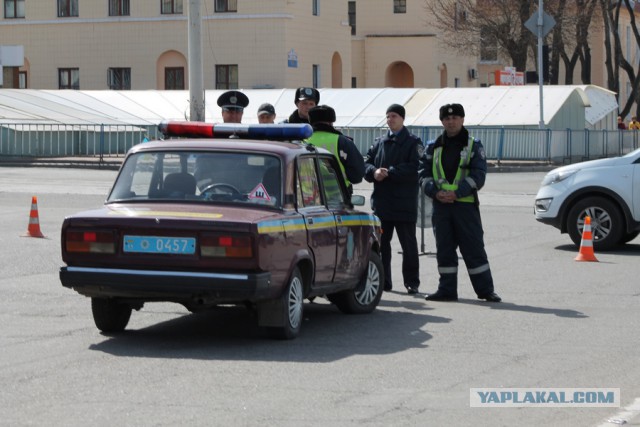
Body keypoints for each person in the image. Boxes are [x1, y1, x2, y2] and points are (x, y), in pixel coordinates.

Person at [419, 103, 501, 303]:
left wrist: (457, 193)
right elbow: (423, 174)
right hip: (441, 206)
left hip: (464, 205)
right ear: (441, 122)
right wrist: (435, 193)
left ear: (463, 120)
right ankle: (446, 290)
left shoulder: (474, 145)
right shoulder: (433, 146)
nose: (451, 121)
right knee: (444, 248)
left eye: (455, 117)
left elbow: (478, 175)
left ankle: (485, 291)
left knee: (473, 248)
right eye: (447, 118)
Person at [364, 104, 422, 295]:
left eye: (394, 116)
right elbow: (366, 164)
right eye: (388, 116)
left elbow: (416, 168)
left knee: (409, 246)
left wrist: (390, 172)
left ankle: (412, 282)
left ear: (403, 118)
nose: (390, 120)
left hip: (404, 204)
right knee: (381, 245)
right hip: (382, 204)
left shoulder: (413, 142)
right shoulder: (379, 142)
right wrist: (374, 171)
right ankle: (384, 281)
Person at [307, 105, 365, 194]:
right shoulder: (343, 142)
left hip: (307, 198)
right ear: (331, 122)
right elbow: (356, 176)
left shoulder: (301, 141)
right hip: (338, 196)